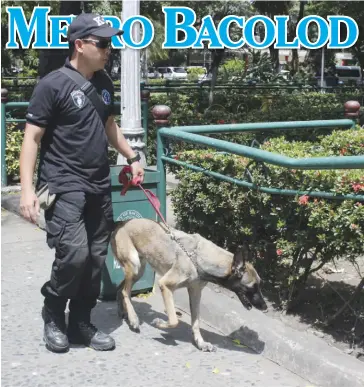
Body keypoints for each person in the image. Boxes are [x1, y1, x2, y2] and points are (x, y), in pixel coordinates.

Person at [19, 12, 144, 353]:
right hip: (63, 184)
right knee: (73, 254)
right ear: (79, 45)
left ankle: (81, 323)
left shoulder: (103, 83)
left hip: (98, 184)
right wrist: (27, 191)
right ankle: (54, 314)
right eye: (102, 43)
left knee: (94, 258)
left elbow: (109, 127)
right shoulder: (52, 84)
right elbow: (32, 139)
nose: (109, 49)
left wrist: (132, 156)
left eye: (110, 43)